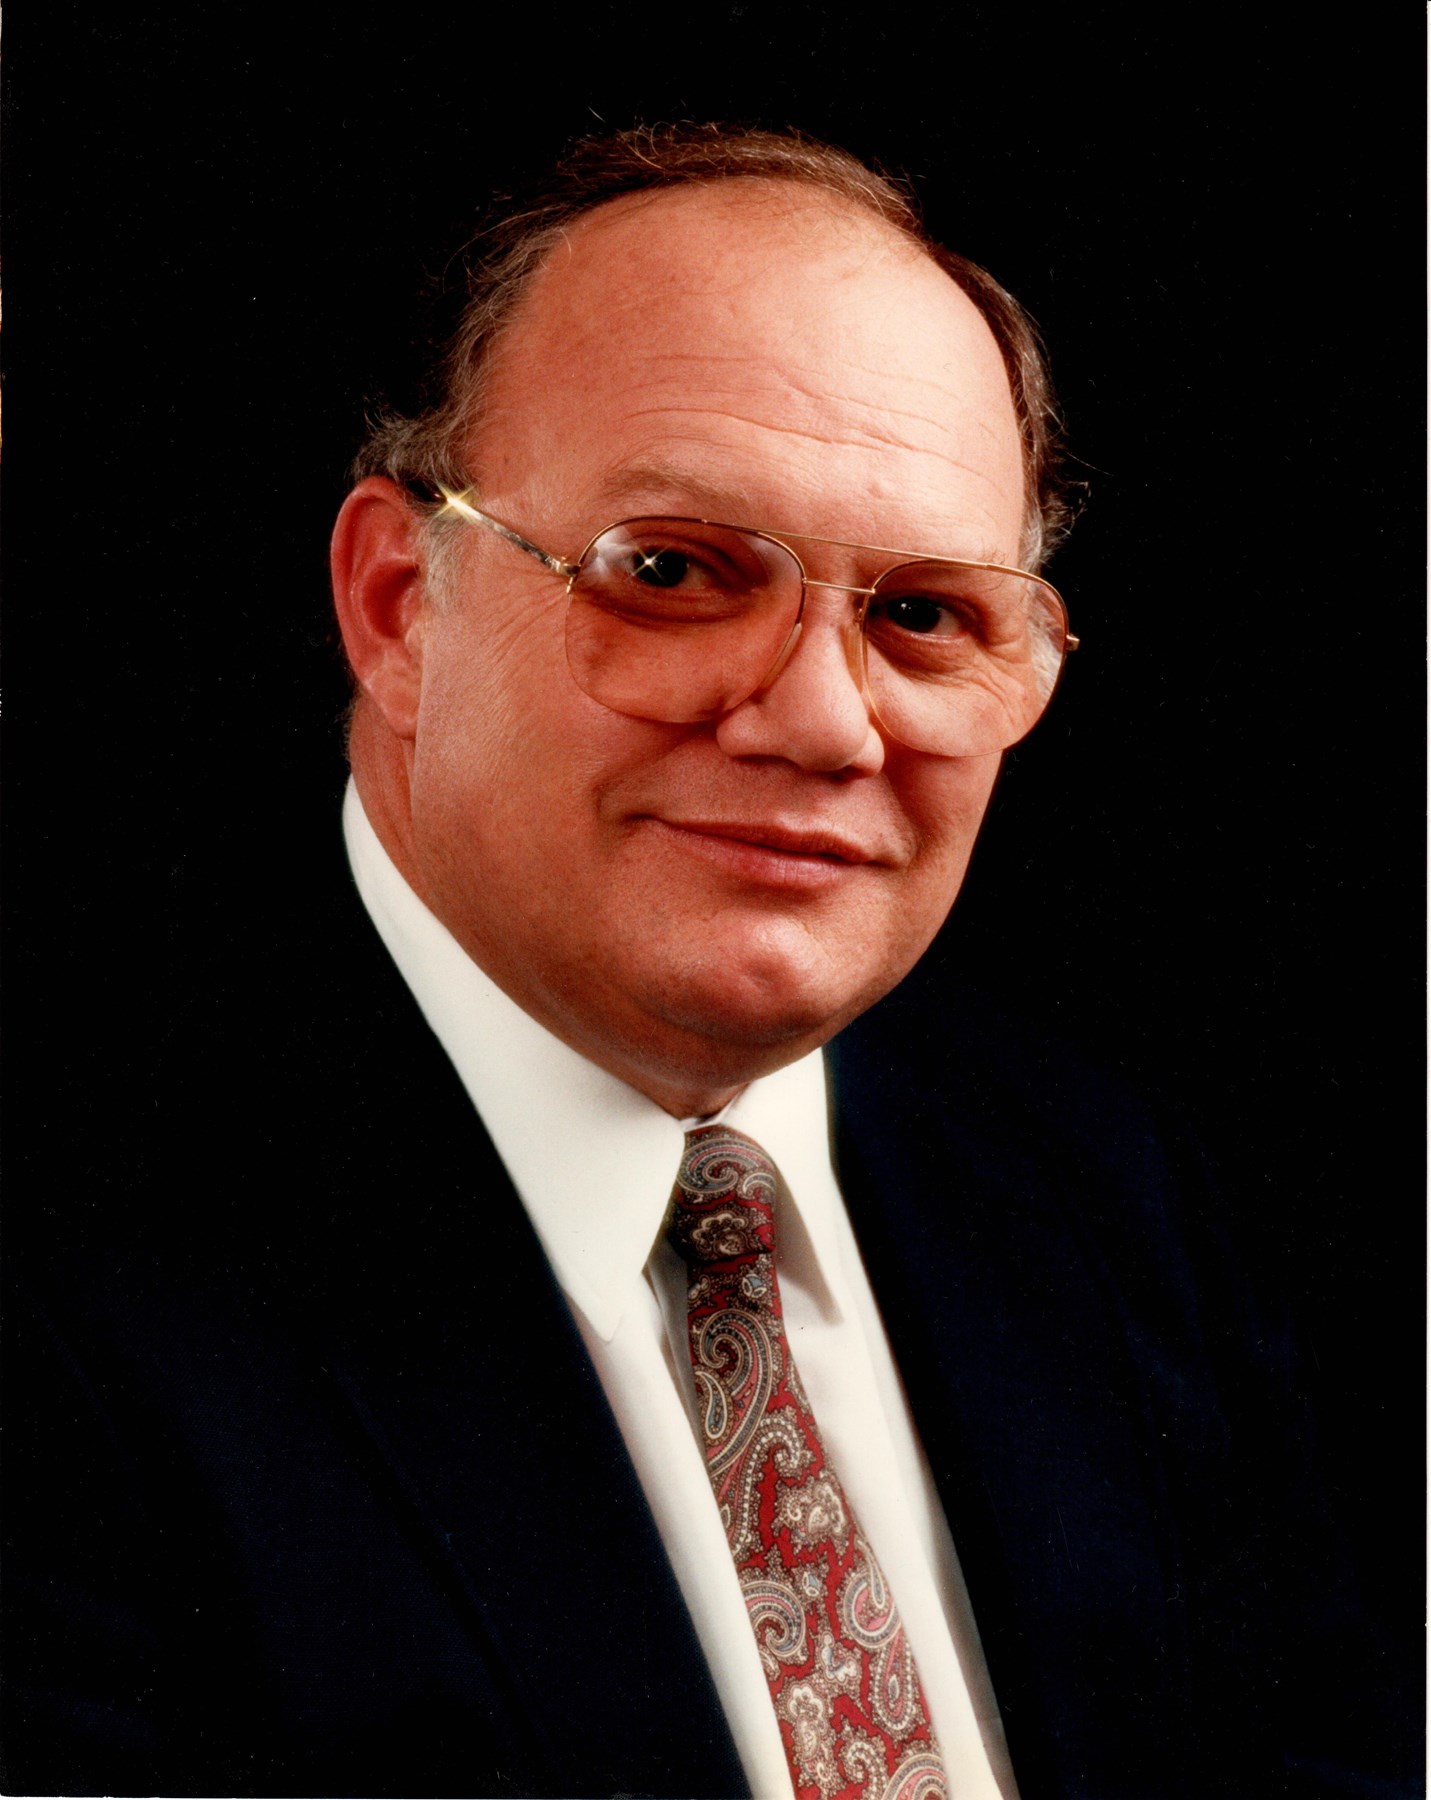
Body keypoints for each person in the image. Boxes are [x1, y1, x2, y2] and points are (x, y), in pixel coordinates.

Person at [3, 125, 1413, 1800]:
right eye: (671, 573)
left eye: (925, 616)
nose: (823, 723)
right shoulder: (63, 1295)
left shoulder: (1110, 1198)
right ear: (396, 605)